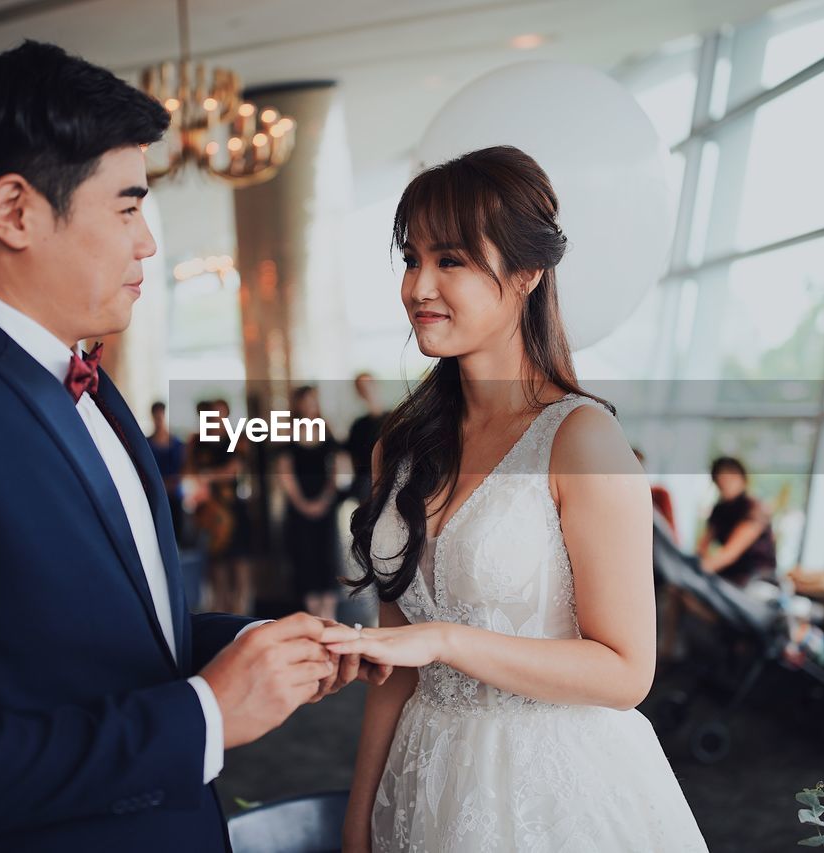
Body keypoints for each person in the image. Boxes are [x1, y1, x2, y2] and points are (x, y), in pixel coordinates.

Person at [0, 42, 386, 852]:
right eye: (128, 206)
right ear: (16, 212)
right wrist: (205, 714)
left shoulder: (87, 383)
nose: (147, 245)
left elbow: (84, 640)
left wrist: (249, 646)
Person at [322, 147, 708, 851]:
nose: (419, 286)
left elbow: (627, 671)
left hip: (556, 791)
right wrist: (358, 823)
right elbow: (391, 671)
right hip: (423, 779)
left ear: (528, 273)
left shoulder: (581, 440)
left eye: (452, 260)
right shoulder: (398, 448)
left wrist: (445, 639)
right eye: (412, 258)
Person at [277, 385, 341, 621]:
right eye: (305, 401)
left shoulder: (327, 429)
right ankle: (316, 620)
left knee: (327, 558)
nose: (309, 406)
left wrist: (325, 499)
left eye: (313, 401)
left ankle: (331, 619)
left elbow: (336, 469)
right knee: (305, 559)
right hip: (298, 507)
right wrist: (302, 504)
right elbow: (285, 473)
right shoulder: (288, 432)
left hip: (326, 505)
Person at [187, 398, 255, 615]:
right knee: (217, 572)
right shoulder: (196, 441)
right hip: (209, 514)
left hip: (235, 510)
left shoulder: (236, 438)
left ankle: (241, 617)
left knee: (240, 567)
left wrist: (207, 475)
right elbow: (189, 472)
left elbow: (234, 470)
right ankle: (223, 618)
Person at [696, 456, 778, 588]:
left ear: (742, 478)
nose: (724, 482)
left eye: (730, 478)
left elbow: (730, 554)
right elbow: (702, 547)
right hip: (728, 575)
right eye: (719, 479)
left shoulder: (754, 508)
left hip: (755, 578)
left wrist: (699, 569)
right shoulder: (719, 510)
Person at [146, 401, 186, 542]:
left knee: (177, 533)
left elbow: (184, 468)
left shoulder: (178, 444)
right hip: (156, 495)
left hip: (175, 495)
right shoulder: (147, 444)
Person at [345, 373, 387, 504]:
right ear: (358, 392)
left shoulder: (394, 419)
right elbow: (352, 458)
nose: (367, 390)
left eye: (369, 385)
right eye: (362, 387)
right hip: (366, 483)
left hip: (389, 478)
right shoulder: (357, 426)